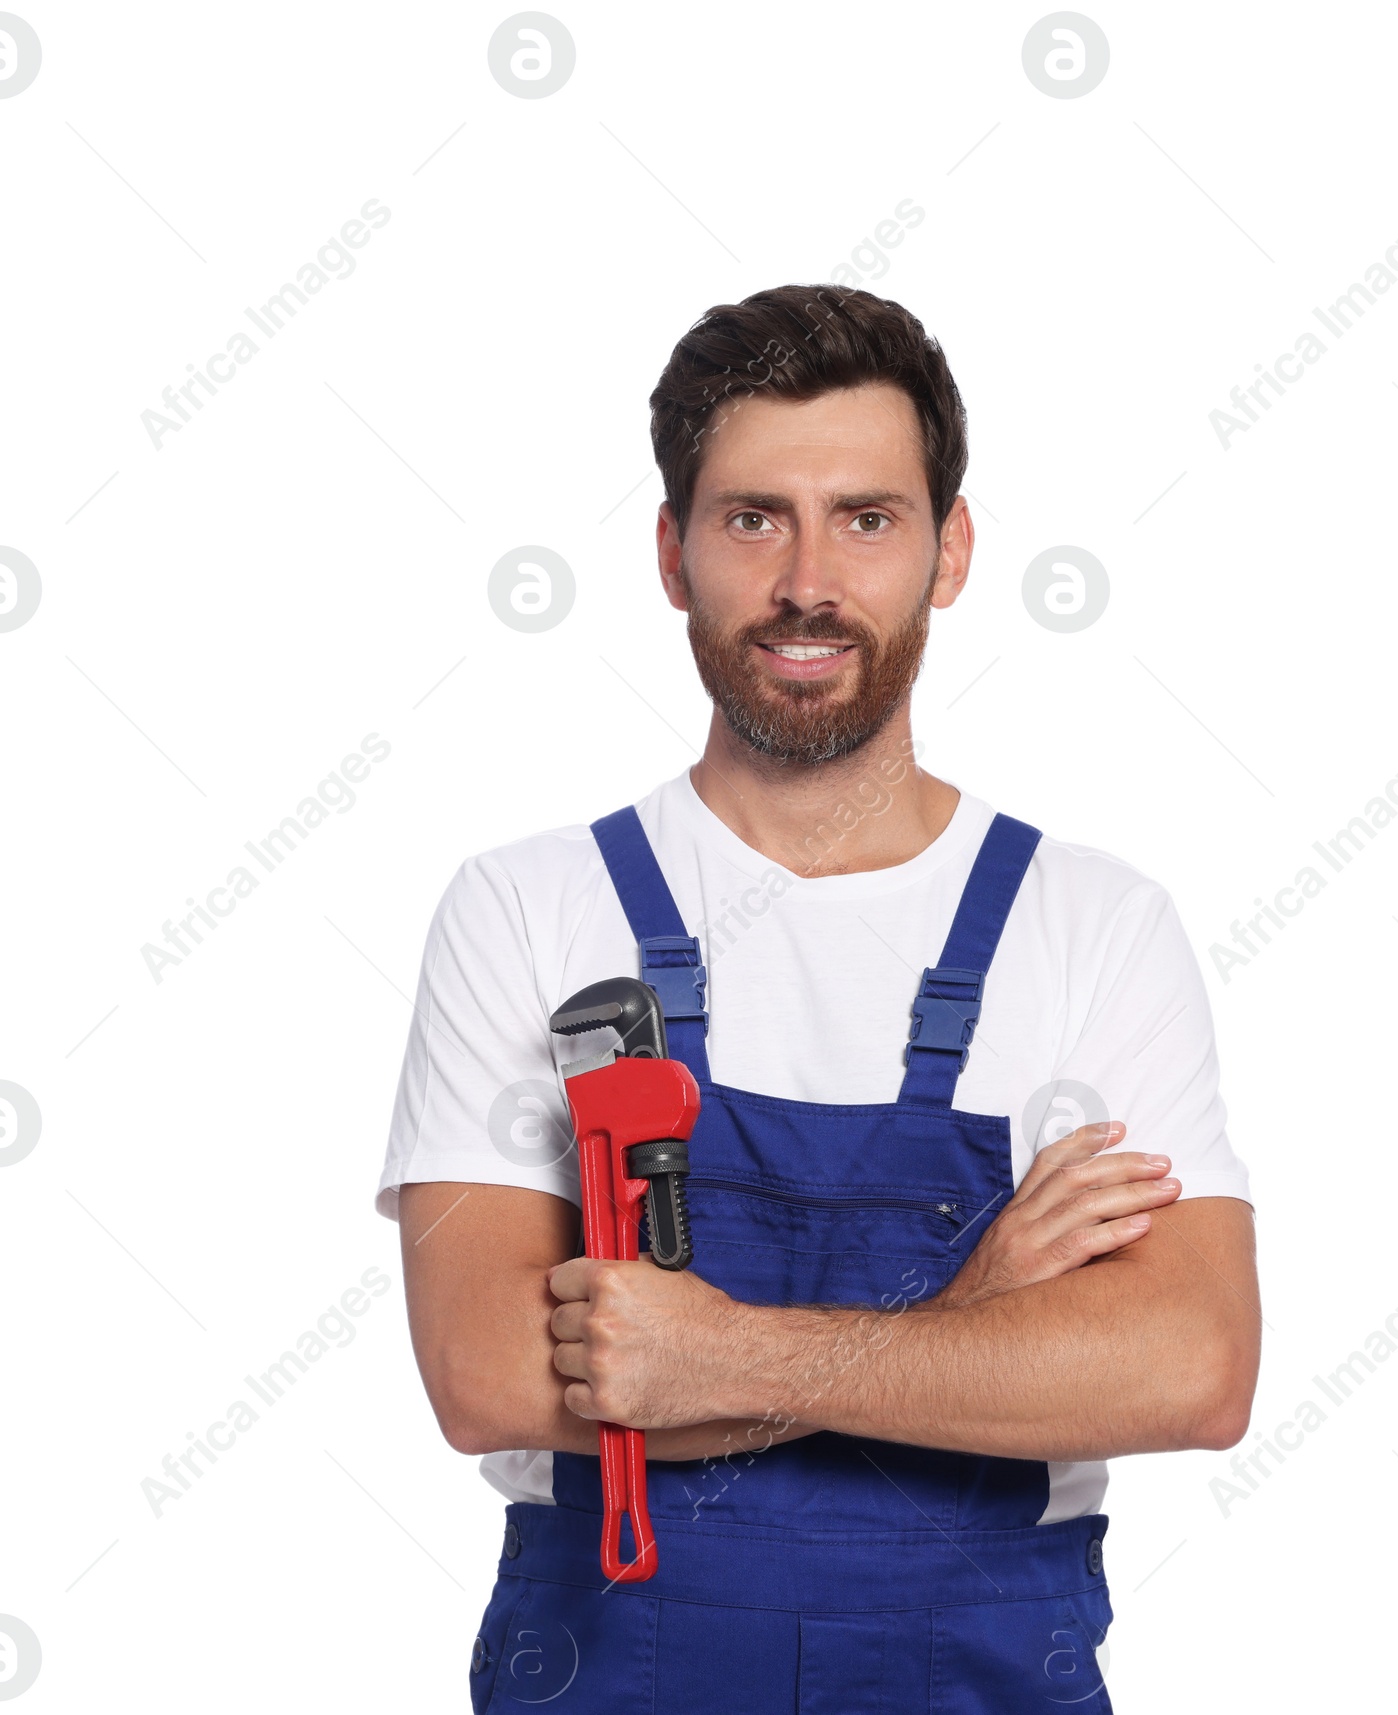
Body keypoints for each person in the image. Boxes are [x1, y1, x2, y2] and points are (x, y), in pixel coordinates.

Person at [377, 284, 1260, 1714]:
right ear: (671, 554)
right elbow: (487, 1374)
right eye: (750, 519)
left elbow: (1192, 1368)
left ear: (950, 549)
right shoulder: (528, 908)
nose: (807, 581)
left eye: (865, 517)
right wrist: (975, 1318)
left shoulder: (1094, 927)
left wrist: (700, 1353)